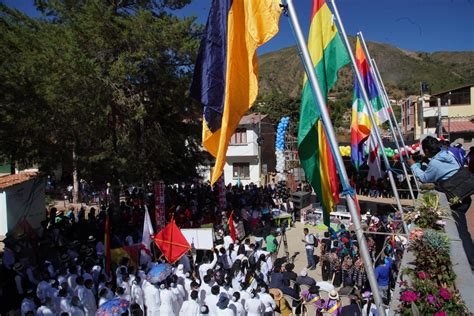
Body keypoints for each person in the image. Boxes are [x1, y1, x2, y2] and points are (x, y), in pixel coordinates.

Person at [409, 136, 474, 267]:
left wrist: (413, 166)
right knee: (462, 228)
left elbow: (424, 178)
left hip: (456, 199)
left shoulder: (434, 164)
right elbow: (445, 170)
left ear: (426, 150)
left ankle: (470, 261)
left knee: (461, 231)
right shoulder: (447, 154)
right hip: (465, 194)